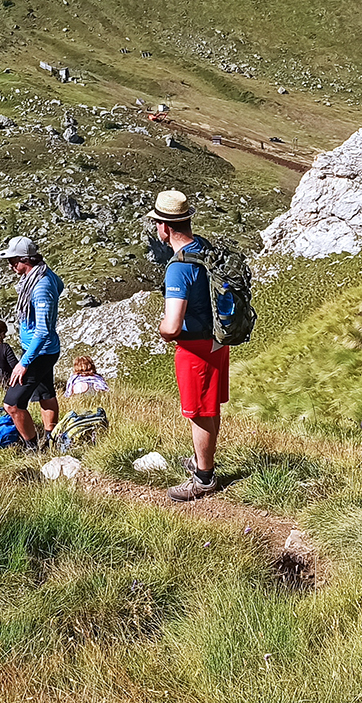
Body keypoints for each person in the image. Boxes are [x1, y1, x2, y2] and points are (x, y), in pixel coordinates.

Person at [151, 189, 227, 501]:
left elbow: (171, 326)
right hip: (218, 340)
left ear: (165, 227)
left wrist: (161, 328)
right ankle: (201, 462)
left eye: (157, 223)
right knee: (210, 407)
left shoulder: (178, 266)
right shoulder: (203, 249)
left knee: (197, 411)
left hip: (194, 348)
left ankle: (203, 479)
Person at [0, 235, 64, 451]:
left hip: (39, 353)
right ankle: (51, 438)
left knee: (13, 404)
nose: (10, 265)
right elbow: (60, 285)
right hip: (45, 350)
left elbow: (43, 331)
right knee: (46, 394)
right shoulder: (44, 276)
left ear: (25, 260)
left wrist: (24, 362)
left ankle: (32, 448)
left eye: (13, 261)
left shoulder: (40, 287)